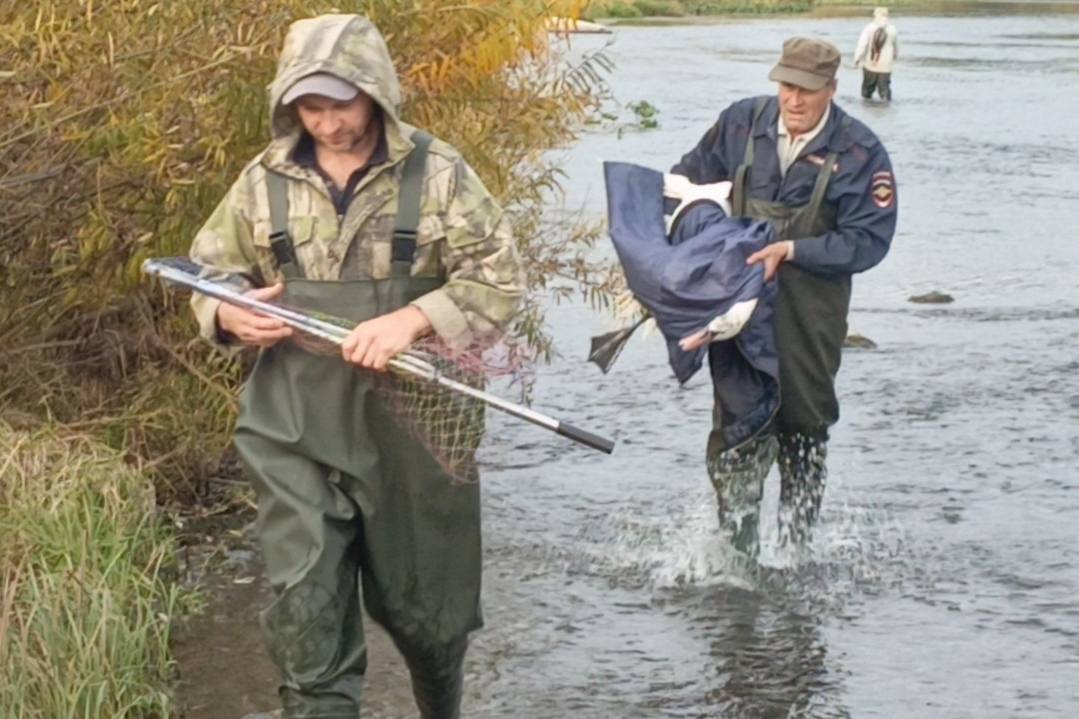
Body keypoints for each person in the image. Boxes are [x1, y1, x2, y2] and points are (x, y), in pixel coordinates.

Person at [188, 13, 524, 719]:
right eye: (310, 107)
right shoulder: (262, 180)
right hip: (294, 425)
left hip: (417, 428)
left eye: (341, 103)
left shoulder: (437, 173)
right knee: (305, 604)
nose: (329, 123)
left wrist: (412, 319)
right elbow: (209, 272)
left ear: (375, 93)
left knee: (428, 616)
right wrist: (227, 314)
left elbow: (500, 282)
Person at [669, 37, 897, 558]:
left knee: (804, 430)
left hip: (809, 317)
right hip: (739, 314)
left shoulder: (861, 154)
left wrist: (792, 249)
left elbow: (869, 241)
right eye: (786, 86)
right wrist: (690, 243)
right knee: (737, 428)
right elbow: (683, 182)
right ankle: (737, 560)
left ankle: (795, 558)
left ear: (832, 91)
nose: (792, 100)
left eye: (807, 90)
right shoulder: (740, 124)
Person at [854, 7, 899, 101]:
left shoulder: (869, 28)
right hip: (886, 66)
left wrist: (857, 59)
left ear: (875, 15)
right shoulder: (892, 29)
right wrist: (894, 57)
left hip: (870, 64)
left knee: (867, 91)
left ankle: (867, 110)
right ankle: (886, 110)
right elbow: (896, 48)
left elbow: (862, 45)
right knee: (884, 90)